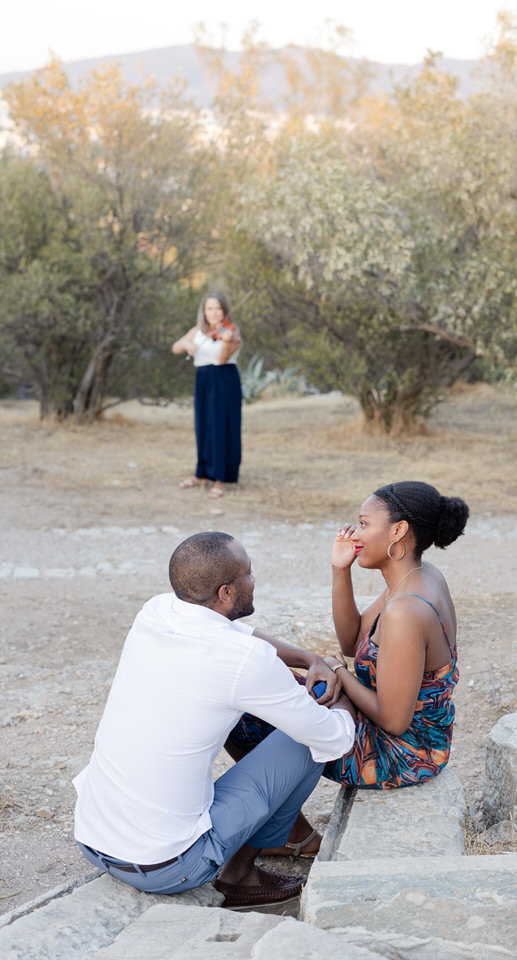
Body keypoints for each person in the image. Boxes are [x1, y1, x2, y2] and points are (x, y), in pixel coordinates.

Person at [73, 532, 355, 908]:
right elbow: (335, 739)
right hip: (170, 867)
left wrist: (307, 658)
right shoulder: (245, 662)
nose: (254, 581)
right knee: (308, 733)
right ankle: (241, 873)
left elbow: (238, 632)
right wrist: (341, 683)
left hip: (93, 839)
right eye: (248, 574)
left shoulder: (155, 611)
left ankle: (272, 838)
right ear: (225, 593)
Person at [227, 480, 468, 818]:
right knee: (271, 688)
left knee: (249, 708)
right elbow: (353, 642)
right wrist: (340, 570)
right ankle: (279, 823)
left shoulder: (406, 610)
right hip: (405, 735)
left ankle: (275, 824)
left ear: (398, 530)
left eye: (365, 524)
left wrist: (338, 670)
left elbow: (394, 720)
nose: (355, 534)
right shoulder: (419, 574)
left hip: (400, 754)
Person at [172, 292, 243, 499]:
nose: (214, 312)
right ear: (203, 311)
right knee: (203, 427)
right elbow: (175, 347)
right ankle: (202, 474)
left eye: (218, 308)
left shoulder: (232, 332)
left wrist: (228, 342)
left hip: (224, 379)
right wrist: (187, 345)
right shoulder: (197, 331)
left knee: (222, 429)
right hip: (203, 380)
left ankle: (220, 479)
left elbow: (222, 360)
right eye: (210, 308)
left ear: (224, 310)